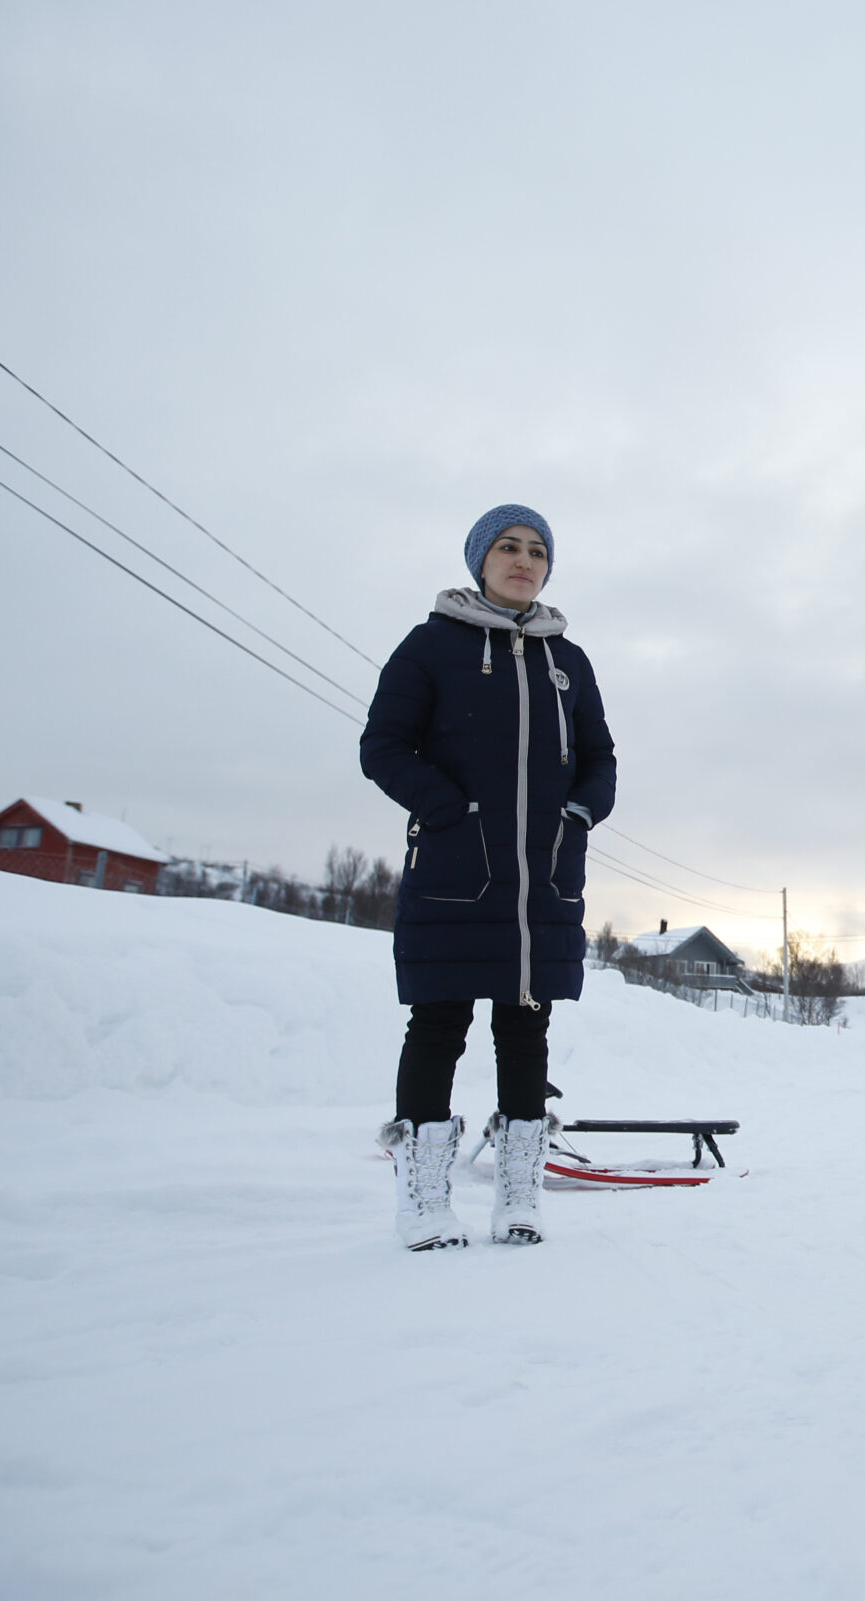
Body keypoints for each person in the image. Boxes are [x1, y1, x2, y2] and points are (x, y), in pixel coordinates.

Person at [361, 503, 617, 1251]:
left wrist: (578, 815)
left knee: (525, 1023)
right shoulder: (430, 646)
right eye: (508, 546)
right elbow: (384, 745)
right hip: (454, 868)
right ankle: (424, 1201)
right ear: (480, 560)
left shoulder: (568, 661)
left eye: (537, 549)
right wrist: (451, 809)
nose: (524, 558)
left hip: (543, 880)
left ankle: (518, 1197)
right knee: (439, 1023)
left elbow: (601, 759)